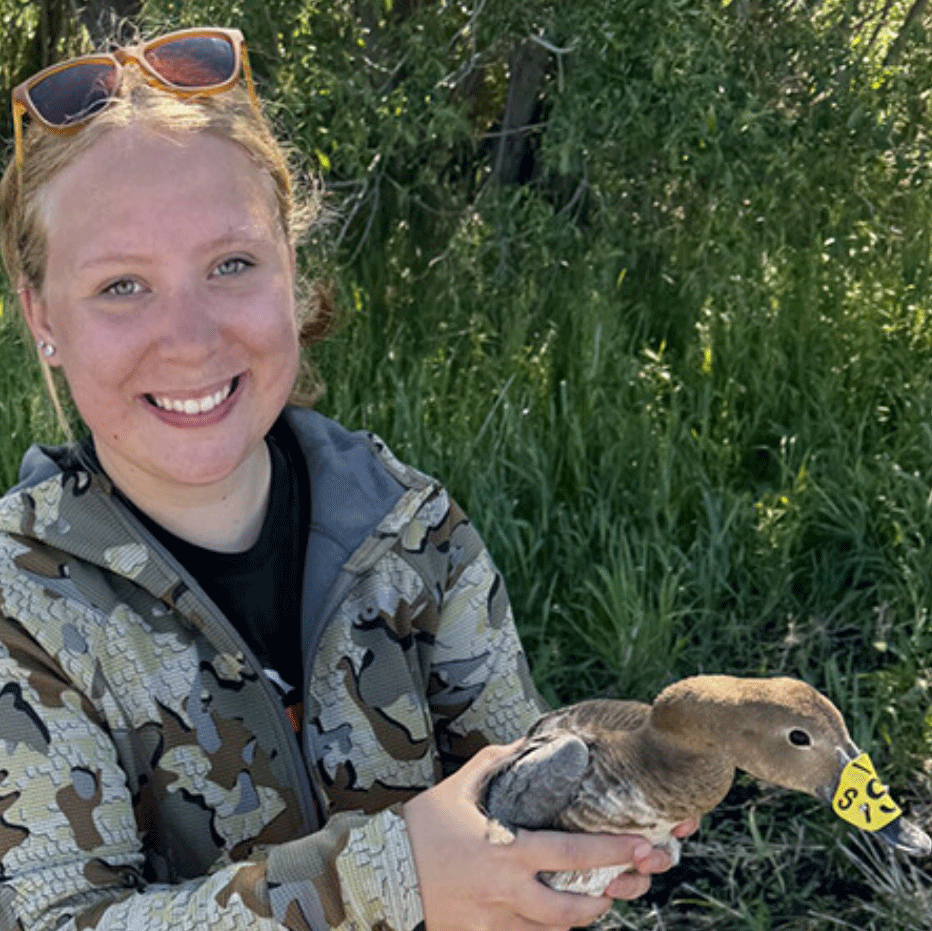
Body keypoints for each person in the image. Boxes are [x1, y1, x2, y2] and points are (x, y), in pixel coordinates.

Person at [0, 26, 696, 931]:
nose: (191, 337)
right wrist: (388, 879)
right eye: (122, 286)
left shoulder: (414, 531)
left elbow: (515, 795)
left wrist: (599, 832)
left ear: (292, 273)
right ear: (41, 314)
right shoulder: (23, 605)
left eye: (231, 264)